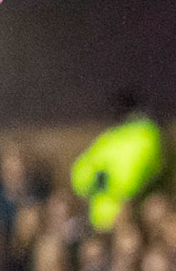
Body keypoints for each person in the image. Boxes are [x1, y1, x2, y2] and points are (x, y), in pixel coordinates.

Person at [70, 92, 164, 231]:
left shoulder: (146, 133)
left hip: (130, 214)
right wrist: (94, 180)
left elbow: (133, 178)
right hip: (98, 221)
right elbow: (79, 174)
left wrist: (107, 182)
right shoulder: (110, 136)